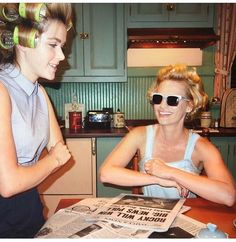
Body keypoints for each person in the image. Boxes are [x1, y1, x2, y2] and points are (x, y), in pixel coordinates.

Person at [99, 64, 236, 207]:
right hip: (152, 216)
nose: (162, 106)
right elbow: (106, 173)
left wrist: (170, 172)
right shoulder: (140, 135)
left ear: (189, 105)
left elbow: (228, 196)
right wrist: (157, 179)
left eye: (172, 100)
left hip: (189, 216)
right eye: (158, 98)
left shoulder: (201, 147)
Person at [0, 3, 72, 238]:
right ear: (22, 42)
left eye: (61, 46)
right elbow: (8, 184)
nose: (62, 56)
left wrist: (50, 161)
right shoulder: (1, 90)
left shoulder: (39, 93)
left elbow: (60, 151)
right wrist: (51, 161)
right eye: (53, 45)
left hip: (29, 214)